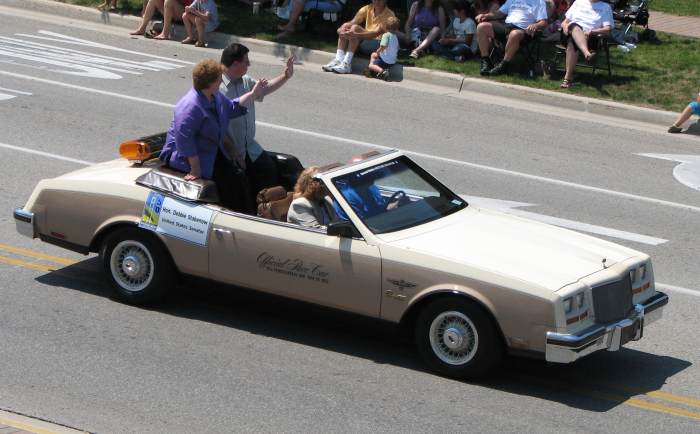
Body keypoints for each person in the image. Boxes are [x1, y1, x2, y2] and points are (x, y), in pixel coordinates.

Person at [159, 59, 266, 209]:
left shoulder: (215, 96)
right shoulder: (190, 106)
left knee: (237, 179)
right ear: (210, 82)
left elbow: (232, 107)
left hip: (210, 151)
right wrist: (195, 169)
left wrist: (253, 94)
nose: (222, 80)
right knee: (227, 186)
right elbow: (184, 139)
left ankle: (245, 211)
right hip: (188, 158)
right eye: (219, 78)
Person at [219, 43, 295, 207]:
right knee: (240, 185)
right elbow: (217, 126)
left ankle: (267, 209)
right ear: (235, 64)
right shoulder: (218, 88)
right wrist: (233, 151)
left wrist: (286, 75)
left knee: (268, 169)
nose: (249, 65)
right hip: (230, 152)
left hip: (250, 148)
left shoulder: (245, 81)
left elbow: (264, 89)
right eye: (246, 62)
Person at [321, 0, 397, 75]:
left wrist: (355, 35)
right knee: (347, 26)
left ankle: (347, 64)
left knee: (355, 28)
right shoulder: (367, 8)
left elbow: (375, 34)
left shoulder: (389, 14)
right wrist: (340, 30)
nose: (377, 1)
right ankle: (338, 60)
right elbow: (352, 22)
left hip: (379, 44)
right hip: (366, 40)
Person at [475, 0, 548, 76]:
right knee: (481, 27)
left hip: (523, 30)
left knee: (514, 34)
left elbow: (544, 22)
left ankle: (504, 66)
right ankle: (486, 61)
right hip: (506, 26)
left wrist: (535, 25)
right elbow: (499, 13)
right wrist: (486, 15)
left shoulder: (538, 2)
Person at [559, 0, 612, 88]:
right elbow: (565, 22)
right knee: (574, 27)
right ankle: (587, 53)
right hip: (570, 32)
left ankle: (567, 79)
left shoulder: (605, 7)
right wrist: (565, 27)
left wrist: (592, 32)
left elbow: (607, 29)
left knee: (572, 42)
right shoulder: (579, 2)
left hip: (590, 38)